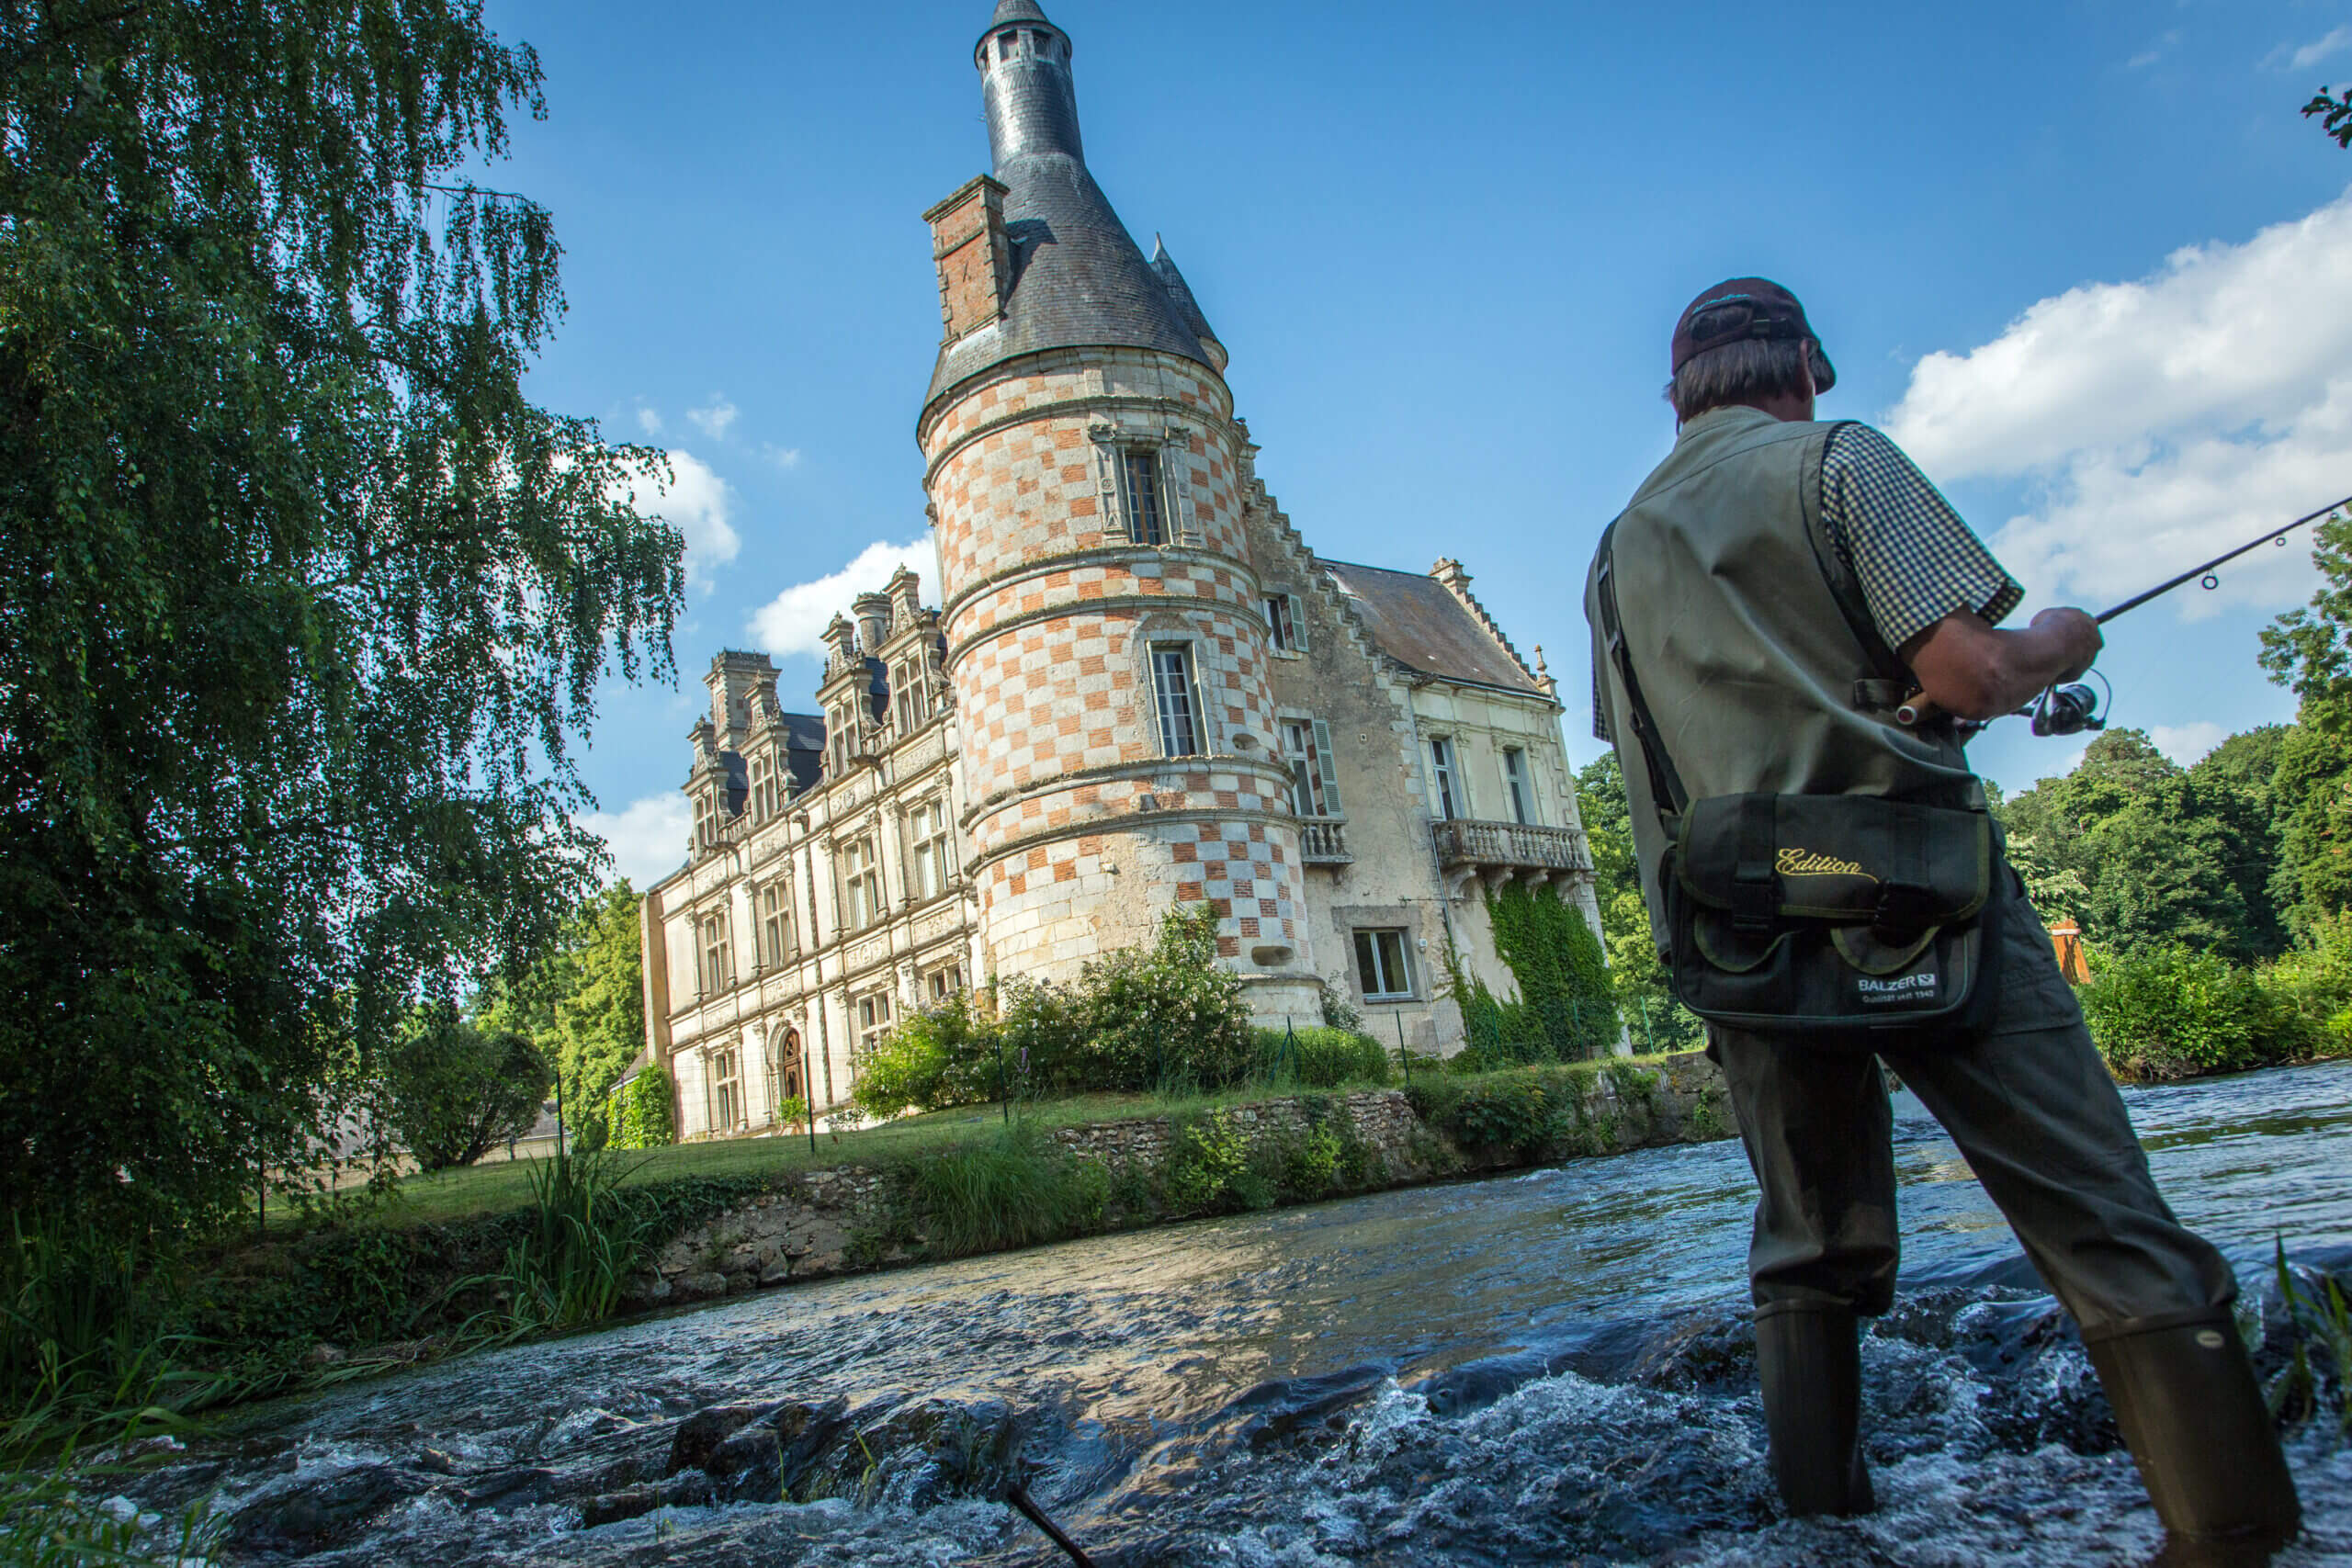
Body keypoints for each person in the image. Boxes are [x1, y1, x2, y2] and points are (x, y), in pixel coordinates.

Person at [1582, 278, 2301, 1565]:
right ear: (1806, 366)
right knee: (2107, 1228)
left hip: (1741, 933)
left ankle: (1826, 1535)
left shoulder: (1618, 546)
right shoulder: (1839, 462)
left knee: (1808, 1255)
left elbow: (1679, 743)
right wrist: (2059, 642)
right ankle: (2234, 1536)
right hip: (1926, 907)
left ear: (1677, 395)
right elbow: (1972, 673)